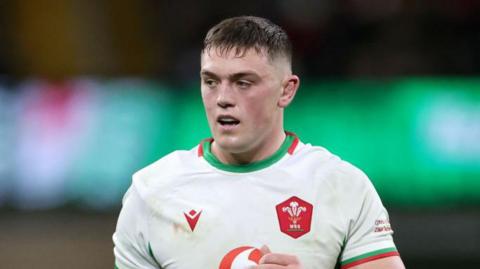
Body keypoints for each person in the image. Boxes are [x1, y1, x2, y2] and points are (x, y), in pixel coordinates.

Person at [113, 16, 405, 269]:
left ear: (286, 91)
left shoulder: (342, 186)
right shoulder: (150, 191)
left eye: (243, 82)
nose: (223, 99)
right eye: (211, 81)